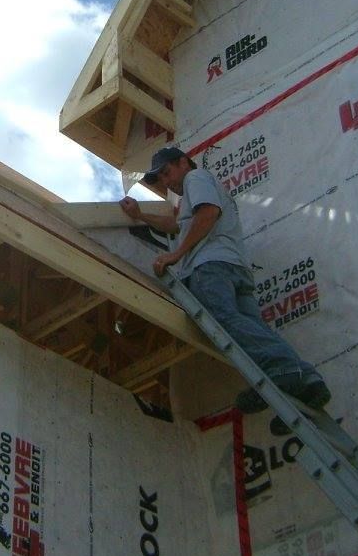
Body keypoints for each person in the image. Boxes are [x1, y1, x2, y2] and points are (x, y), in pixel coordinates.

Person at [120, 146, 330, 431]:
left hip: (212, 267)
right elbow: (176, 225)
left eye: (167, 172)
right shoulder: (193, 194)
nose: (166, 182)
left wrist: (176, 255)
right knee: (252, 329)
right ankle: (305, 381)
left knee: (225, 319)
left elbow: (208, 214)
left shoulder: (196, 179)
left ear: (184, 162)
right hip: (233, 269)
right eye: (161, 179)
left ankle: (286, 369)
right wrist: (141, 215)